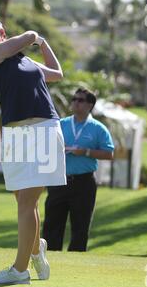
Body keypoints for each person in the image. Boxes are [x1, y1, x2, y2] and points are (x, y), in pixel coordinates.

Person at [0, 17, 66, 284]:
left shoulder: (24, 60)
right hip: (15, 133)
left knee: (26, 202)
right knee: (23, 200)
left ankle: (20, 270)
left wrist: (43, 43)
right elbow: (30, 33)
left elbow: (57, 74)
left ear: (2, 32)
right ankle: (36, 249)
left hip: (44, 128)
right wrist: (35, 35)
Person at [43, 88, 114, 252]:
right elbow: (48, 146)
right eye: (74, 99)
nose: (75, 102)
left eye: (80, 100)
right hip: (59, 179)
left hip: (84, 182)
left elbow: (109, 153)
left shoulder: (98, 128)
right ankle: (50, 259)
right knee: (52, 224)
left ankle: (76, 261)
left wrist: (86, 152)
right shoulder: (62, 124)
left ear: (90, 105)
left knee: (80, 226)